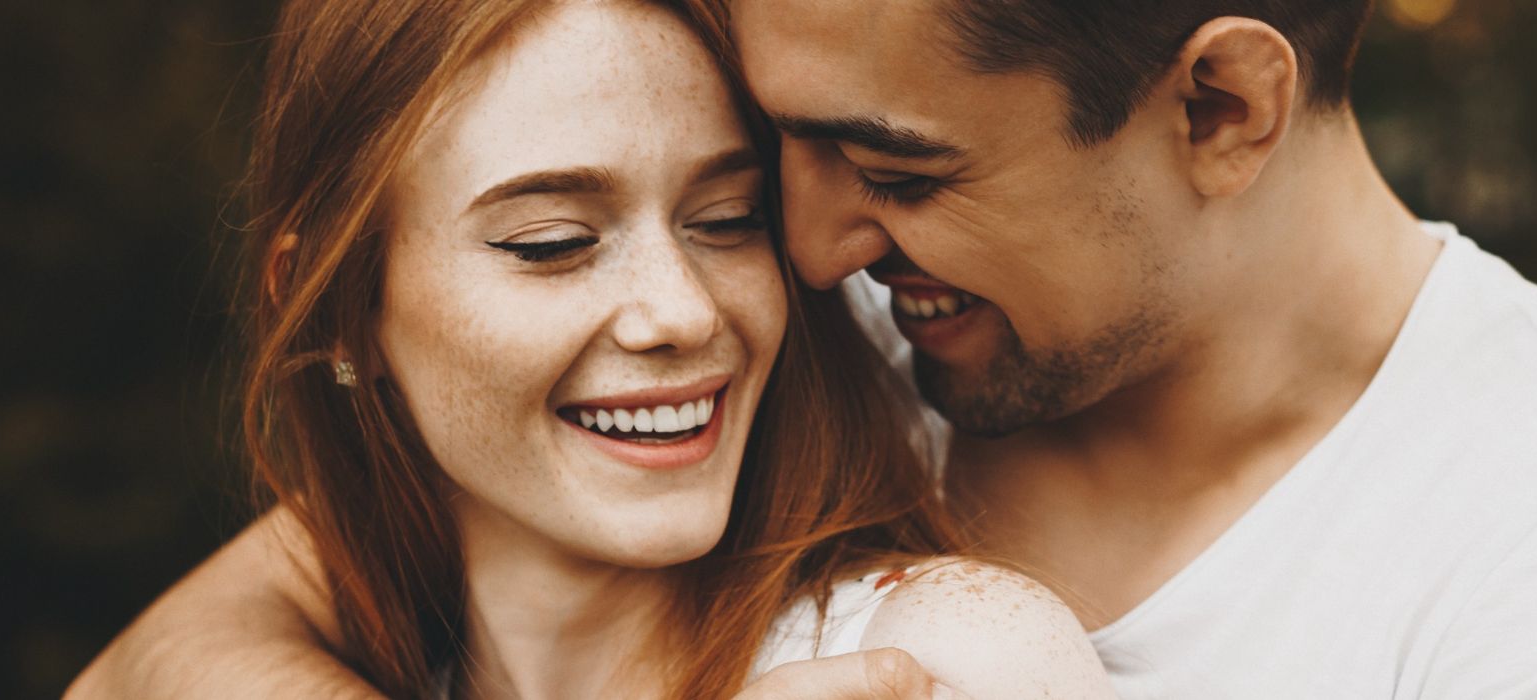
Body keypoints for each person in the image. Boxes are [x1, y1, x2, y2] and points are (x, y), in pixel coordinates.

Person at [79, 0, 1537, 698]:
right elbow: (226, 624)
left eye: (898, 169)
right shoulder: (809, 343)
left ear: (1218, 105)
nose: (810, 252)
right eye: (782, 164)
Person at [66, 0, 1114, 698]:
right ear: (338, 308)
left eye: (726, 219)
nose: (681, 312)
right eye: (552, 244)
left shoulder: (937, 653)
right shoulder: (363, 653)